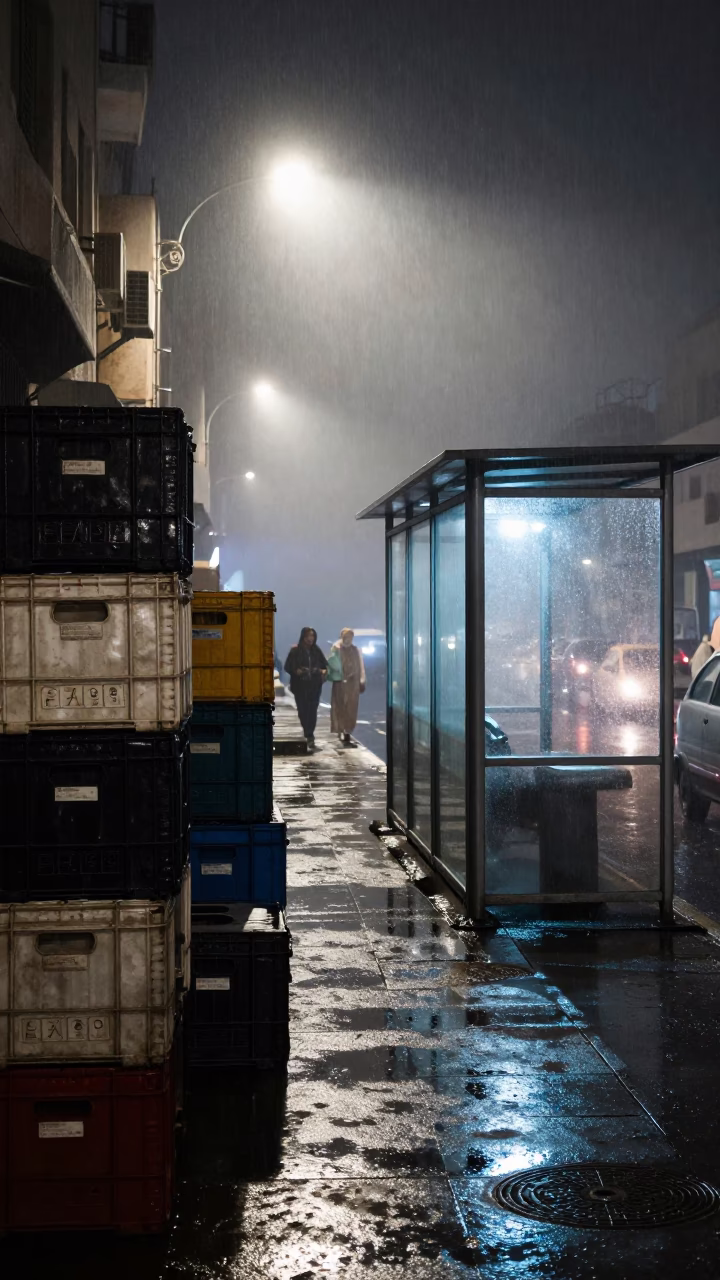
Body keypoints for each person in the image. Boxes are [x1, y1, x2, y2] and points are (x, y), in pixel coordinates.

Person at [284, 628, 327, 748]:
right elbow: (287, 666)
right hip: (300, 686)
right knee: (303, 710)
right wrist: (297, 671)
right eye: (308, 636)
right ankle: (306, 730)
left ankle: (310, 734)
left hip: (314, 685)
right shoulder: (295, 651)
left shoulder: (316, 650)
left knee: (312, 710)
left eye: (312, 636)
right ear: (303, 637)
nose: (311, 638)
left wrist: (319, 671)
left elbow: (324, 664)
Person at [329, 628, 366, 745]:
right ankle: (340, 729)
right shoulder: (336, 649)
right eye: (346, 637)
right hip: (340, 683)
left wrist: (362, 680)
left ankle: (347, 732)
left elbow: (360, 666)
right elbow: (332, 664)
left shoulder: (355, 650)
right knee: (340, 706)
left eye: (350, 637)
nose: (348, 639)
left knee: (351, 708)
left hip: (352, 684)